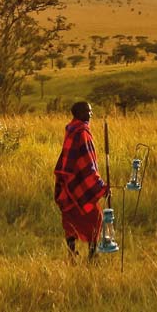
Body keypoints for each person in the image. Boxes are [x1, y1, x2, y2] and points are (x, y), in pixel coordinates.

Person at [54, 101, 109, 260]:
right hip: (79, 183)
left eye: (91, 111)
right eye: (87, 111)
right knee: (95, 217)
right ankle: (92, 255)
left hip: (69, 183)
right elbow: (88, 164)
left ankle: (72, 253)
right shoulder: (81, 132)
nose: (90, 114)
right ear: (78, 113)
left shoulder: (72, 129)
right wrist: (101, 187)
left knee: (70, 217)